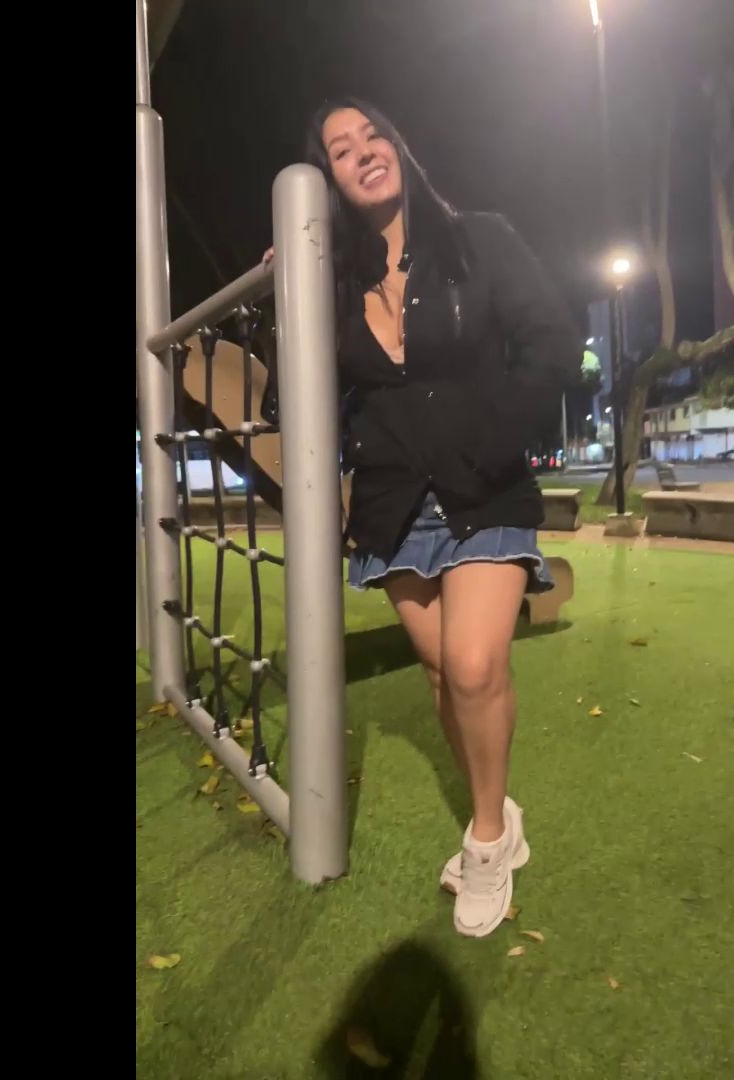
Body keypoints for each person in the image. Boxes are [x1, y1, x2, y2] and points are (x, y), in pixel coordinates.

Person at [265, 98, 580, 937]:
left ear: (398, 147)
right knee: (443, 675)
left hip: (484, 486)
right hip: (395, 502)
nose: (363, 151)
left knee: (474, 666)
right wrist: (290, 292)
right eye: (341, 149)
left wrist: (496, 434)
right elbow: (290, 401)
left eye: (373, 135)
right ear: (328, 178)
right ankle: (497, 806)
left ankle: (487, 839)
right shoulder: (333, 282)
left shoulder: (479, 240)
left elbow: (553, 341)